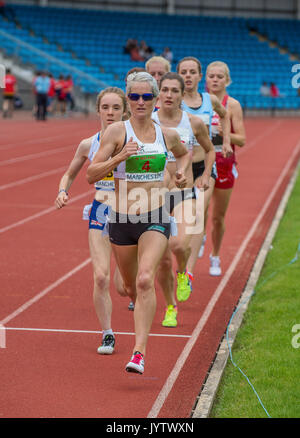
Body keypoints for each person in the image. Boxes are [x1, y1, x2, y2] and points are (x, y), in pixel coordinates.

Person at [86, 72, 190, 374]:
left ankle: (138, 352)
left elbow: (183, 156)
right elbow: (92, 174)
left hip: (155, 215)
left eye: (147, 97)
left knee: (146, 279)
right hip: (120, 219)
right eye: (134, 96)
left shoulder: (167, 134)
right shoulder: (117, 132)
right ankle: (138, 303)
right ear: (128, 99)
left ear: (155, 100)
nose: (140, 101)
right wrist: (118, 157)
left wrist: (181, 174)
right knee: (128, 286)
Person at [55, 87, 127, 355]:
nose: (110, 113)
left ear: (124, 111)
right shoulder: (88, 144)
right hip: (100, 210)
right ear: (98, 110)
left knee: (125, 286)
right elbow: (69, 174)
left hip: (128, 213)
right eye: (105, 107)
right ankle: (107, 333)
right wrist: (63, 190)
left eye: (116, 108)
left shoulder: (133, 141)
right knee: (100, 277)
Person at [153, 72, 215, 326]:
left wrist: (206, 176)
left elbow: (210, 150)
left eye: (174, 91)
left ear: (182, 94)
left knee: (177, 245)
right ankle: (170, 307)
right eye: (165, 90)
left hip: (184, 192)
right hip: (153, 197)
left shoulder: (193, 122)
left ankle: (184, 273)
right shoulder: (148, 122)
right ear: (159, 93)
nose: (169, 95)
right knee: (160, 259)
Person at [176, 56, 231, 283]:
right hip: (182, 168)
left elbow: (225, 115)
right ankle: (183, 252)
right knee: (182, 220)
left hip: (206, 166)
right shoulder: (173, 100)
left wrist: (225, 139)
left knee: (199, 212)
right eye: (183, 72)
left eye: (192, 72)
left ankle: (187, 273)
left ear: (200, 76)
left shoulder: (209, 100)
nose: (188, 76)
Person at [205, 61, 246, 275]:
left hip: (223, 161)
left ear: (226, 79)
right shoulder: (198, 102)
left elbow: (242, 140)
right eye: (211, 76)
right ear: (206, 79)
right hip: (201, 161)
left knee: (218, 217)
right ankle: (199, 238)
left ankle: (216, 256)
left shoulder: (233, 105)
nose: (215, 79)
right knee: (198, 210)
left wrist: (225, 134)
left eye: (219, 76)